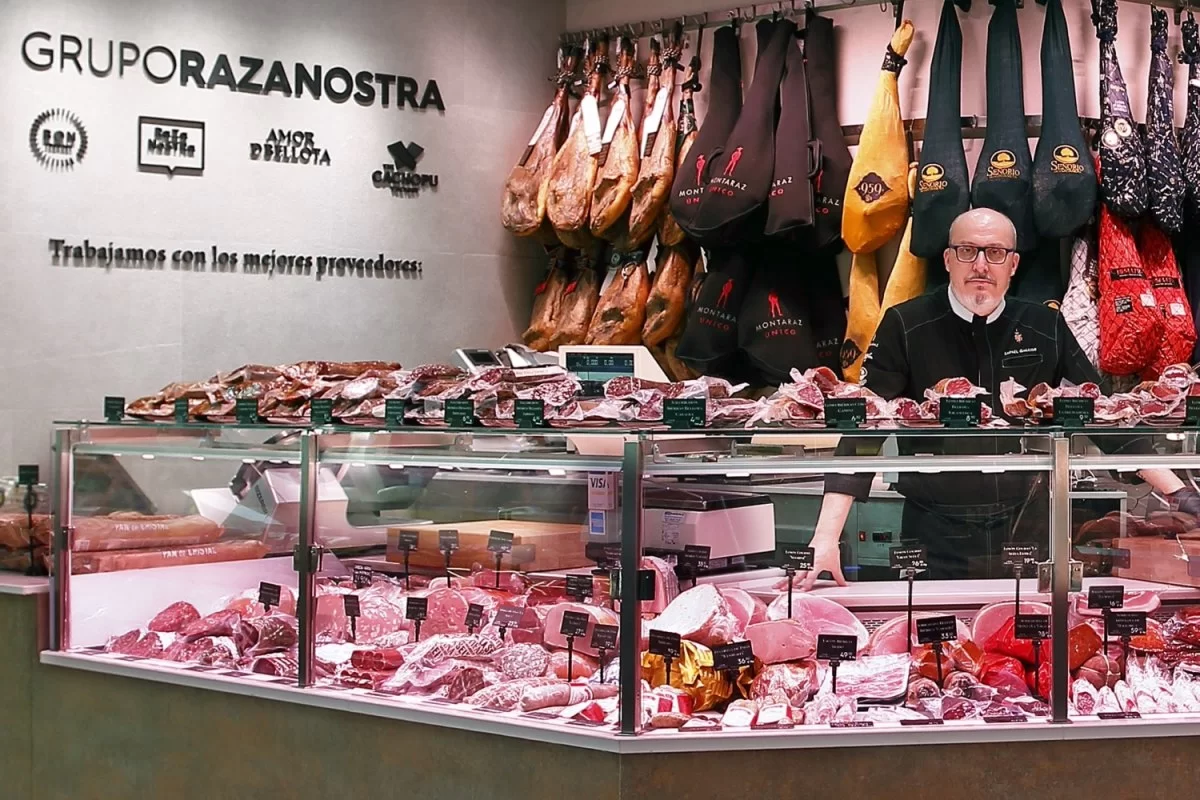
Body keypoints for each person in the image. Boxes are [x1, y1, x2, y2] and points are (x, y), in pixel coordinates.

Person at [800, 208, 1193, 587]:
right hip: (934, 528)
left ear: (1014, 264)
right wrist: (826, 536)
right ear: (948, 259)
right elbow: (863, 430)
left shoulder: (1045, 325)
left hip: (1025, 524)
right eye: (967, 251)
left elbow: (1101, 414)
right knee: (937, 640)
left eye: (996, 252)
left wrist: (1181, 494)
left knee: (1028, 635)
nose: (981, 266)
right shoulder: (906, 323)